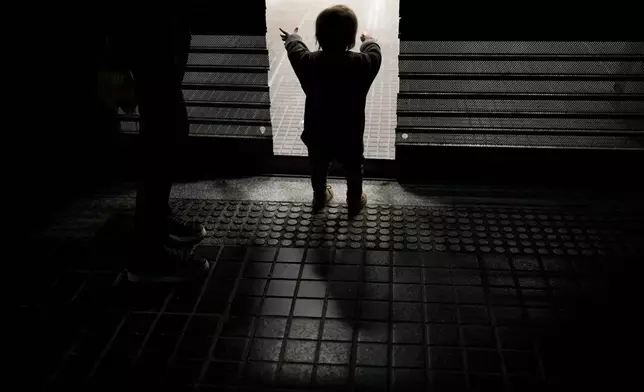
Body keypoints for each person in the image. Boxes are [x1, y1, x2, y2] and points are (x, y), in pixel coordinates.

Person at [104, 16, 209, 282]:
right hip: (146, 37)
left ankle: (156, 226)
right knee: (163, 138)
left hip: (151, 37)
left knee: (163, 134)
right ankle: (147, 255)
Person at [280, 4, 382, 216]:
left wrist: (293, 39)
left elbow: (296, 52)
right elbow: (375, 55)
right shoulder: (361, 64)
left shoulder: (310, 62)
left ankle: (320, 196)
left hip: (318, 131)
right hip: (350, 133)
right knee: (354, 167)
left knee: (318, 165)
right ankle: (354, 199)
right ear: (352, 38)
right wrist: (369, 40)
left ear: (318, 36)